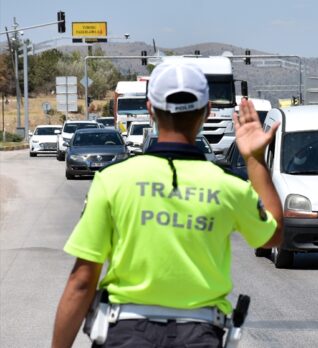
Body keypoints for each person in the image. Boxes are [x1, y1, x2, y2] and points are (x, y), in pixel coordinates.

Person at [52, 60, 283, 348]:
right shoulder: (229, 187)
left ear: (150, 109)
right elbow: (273, 234)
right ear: (207, 112)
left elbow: (82, 281)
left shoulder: (112, 180)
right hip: (199, 335)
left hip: (125, 334)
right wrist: (255, 159)